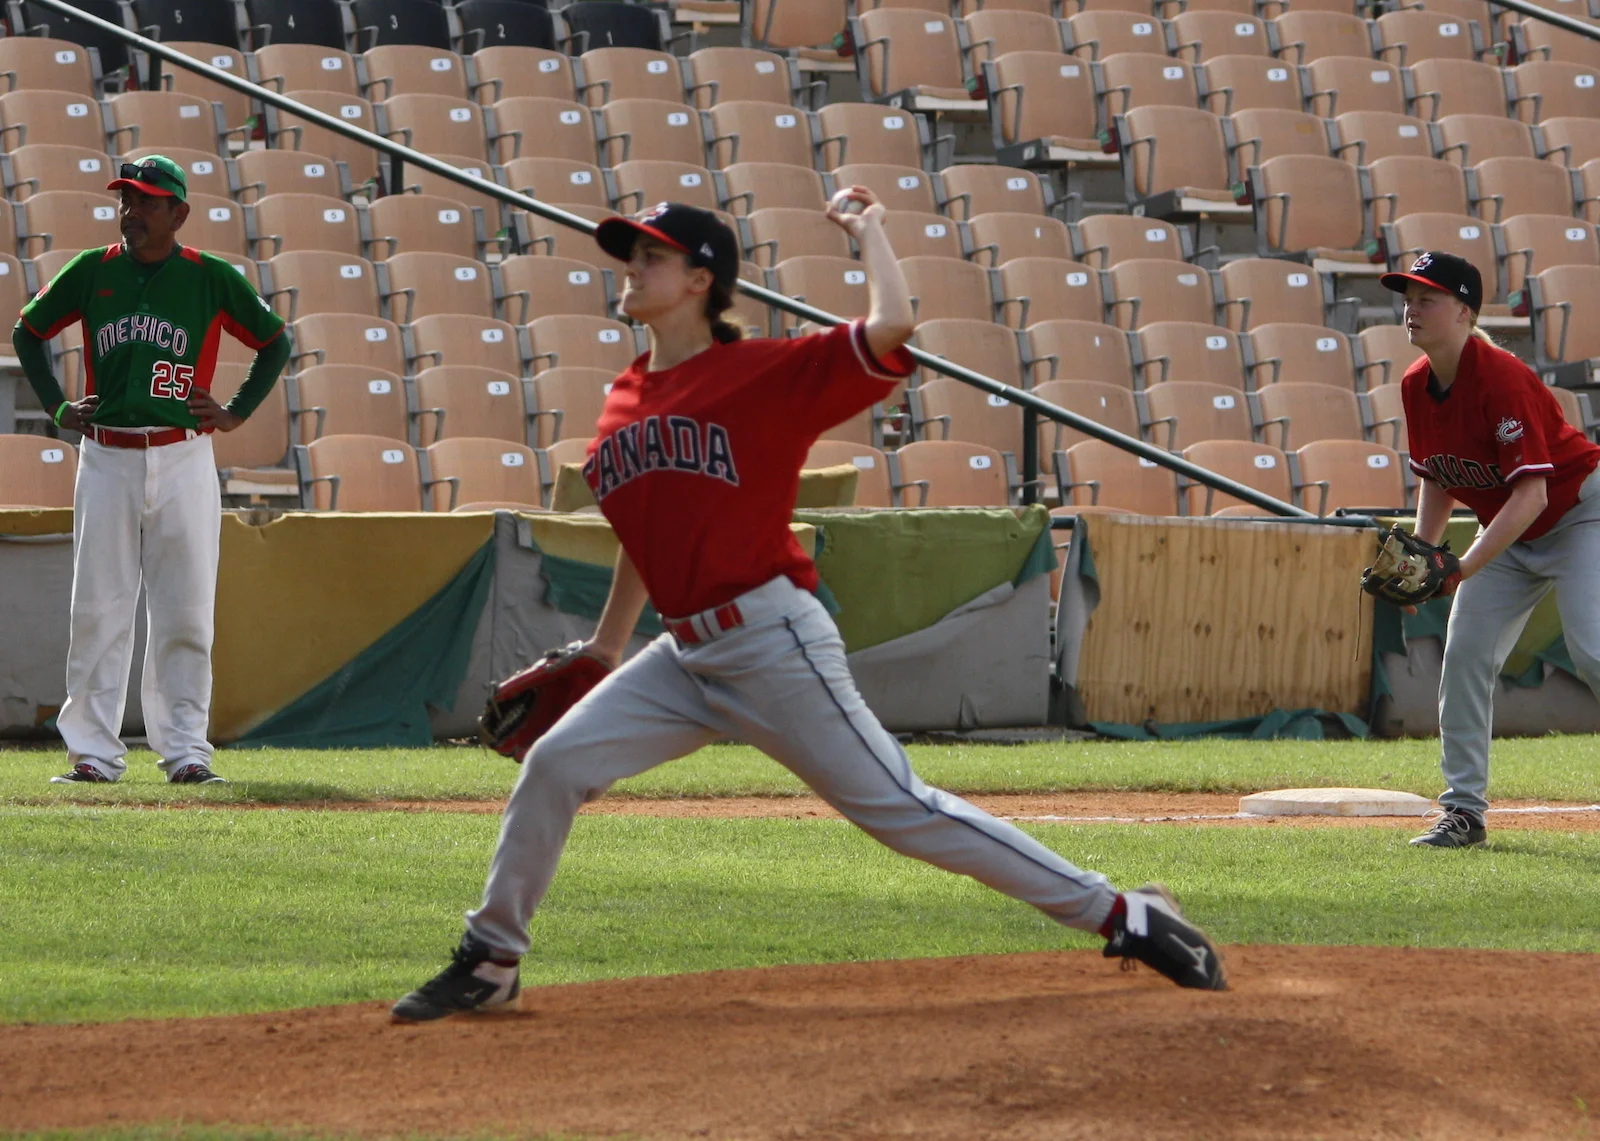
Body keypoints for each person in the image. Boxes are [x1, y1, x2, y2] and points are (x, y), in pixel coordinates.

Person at [391, 191, 1225, 1022]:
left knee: (902, 810)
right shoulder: (624, 399)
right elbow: (645, 533)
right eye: (632, 254)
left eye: (652, 255)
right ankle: (493, 959)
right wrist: (607, 647)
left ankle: (1126, 914)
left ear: (699, 279)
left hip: (771, 639)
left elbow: (892, 326)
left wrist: (871, 232)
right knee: (556, 765)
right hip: (683, 657)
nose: (633, 268)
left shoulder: (765, 374)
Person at [12, 156, 293, 786]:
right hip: (107, 455)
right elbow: (27, 333)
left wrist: (236, 412)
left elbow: (276, 341)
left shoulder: (211, 278)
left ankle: (186, 751)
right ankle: (92, 755)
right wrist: (57, 407)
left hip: (183, 453)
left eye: (145, 202)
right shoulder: (91, 270)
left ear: (178, 214)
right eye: (125, 200)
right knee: (98, 610)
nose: (130, 212)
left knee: (185, 610)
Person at [1381, 251, 1600, 848]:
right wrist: (1423, 562)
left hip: (1580, 514)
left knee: (1594, 651)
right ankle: (1463, 814)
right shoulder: (1415, 384)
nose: (1411, 309)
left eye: (1426, 297)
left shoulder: (1501, 377)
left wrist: (1462, 565)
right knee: (1467, 656)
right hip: (1510, 529)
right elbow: (1435, 477)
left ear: (1465, 310)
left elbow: (1532, 495)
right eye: (1407, 297)